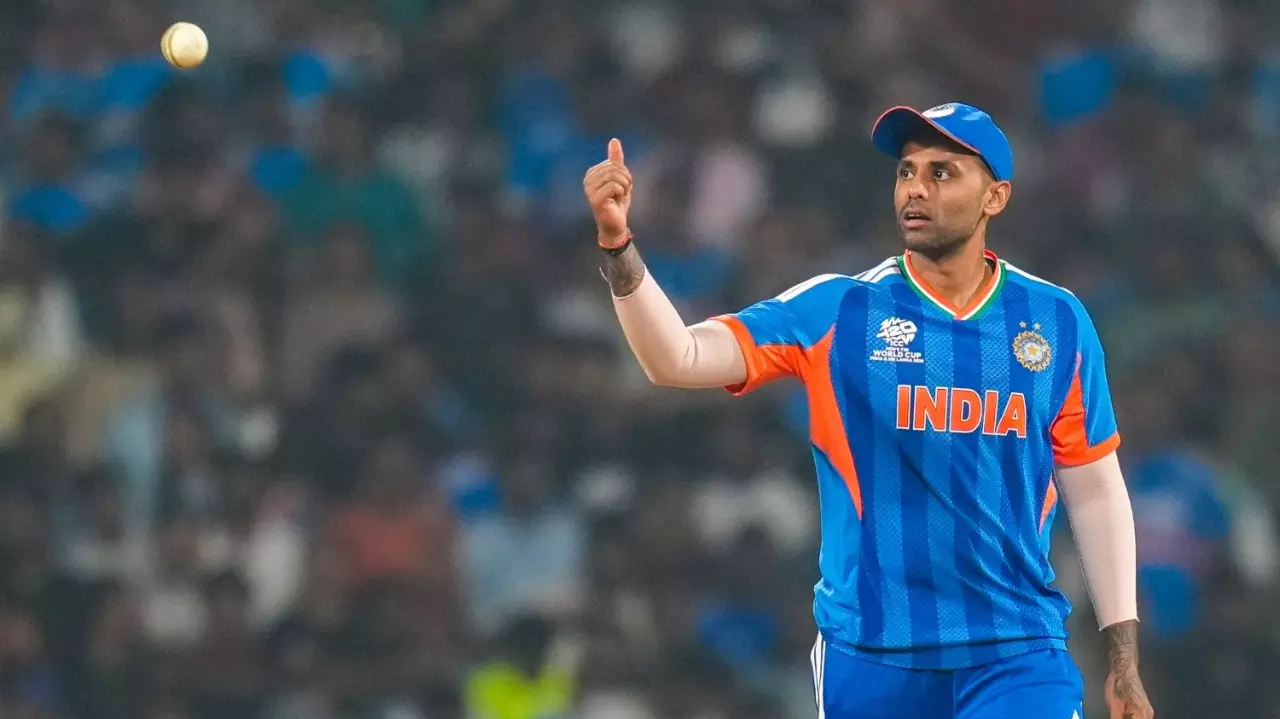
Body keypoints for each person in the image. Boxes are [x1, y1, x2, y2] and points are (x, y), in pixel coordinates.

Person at [583, 102, 1155, 719]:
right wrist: (618, 246)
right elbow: (678, 357)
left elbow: (1094, 489)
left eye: (942, 172)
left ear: (996, 196)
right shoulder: (840, 310)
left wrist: (1123, 655)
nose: (915, 188)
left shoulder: (1057, 320)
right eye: (907, 171)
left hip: (1016, 654)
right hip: (871, 657)